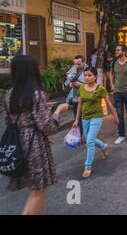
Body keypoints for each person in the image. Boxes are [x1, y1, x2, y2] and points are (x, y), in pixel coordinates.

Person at [4, 55, 68, 214]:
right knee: (38, 191)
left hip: (17, 143)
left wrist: (42, 108)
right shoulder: (36, 94)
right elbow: (48, 126)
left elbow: (11, 119)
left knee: (36, 190)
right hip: (34, 145)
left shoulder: (9, 94)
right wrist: (58, 111)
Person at [73, 67, 119, 179]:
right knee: (87, 137)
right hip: (85, 117)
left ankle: (88, 166)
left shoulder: (100, 89)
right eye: (85, 75)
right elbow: (80, 104)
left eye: (90, 75)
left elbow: (108, 104)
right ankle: (103, 147)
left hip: (96, 117)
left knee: (89, 141)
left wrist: (115, 116)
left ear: (95, 76)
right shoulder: (82, 88)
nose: (87, 77)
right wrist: (76, 119)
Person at [64, 55, 87, 139]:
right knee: (77, 117)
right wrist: (70, 84)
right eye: (76, 64)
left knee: (86, 116)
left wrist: (81, 85)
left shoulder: (89, 70)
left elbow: (93, 84)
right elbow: (68, 82)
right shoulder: (73, 69)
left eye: (79, 64)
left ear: (84, 62)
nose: (77, 66)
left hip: (86, 97)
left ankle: (88, 134)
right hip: (76, 97)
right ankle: (79, 135)